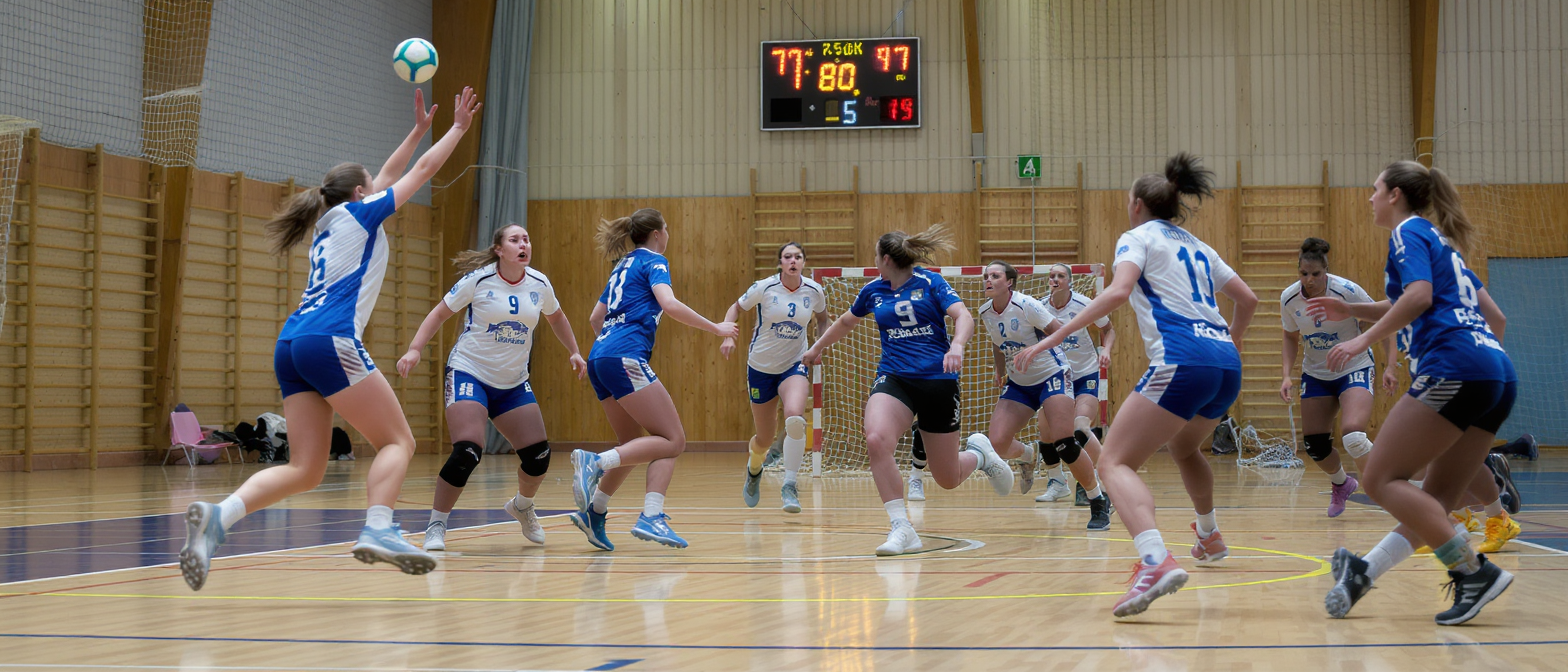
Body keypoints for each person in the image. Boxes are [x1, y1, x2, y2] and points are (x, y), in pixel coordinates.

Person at [179, 88, 483, 590]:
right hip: (330, 339)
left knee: (306, 468)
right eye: (371, 186)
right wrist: (456, 130)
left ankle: (218, 518)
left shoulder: (333, 221)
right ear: (362, 196)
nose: (380, 186)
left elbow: (387, 176)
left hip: (292, 344)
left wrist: (414, 132)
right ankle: (380, 528)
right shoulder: (362, 217)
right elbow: (420, 173)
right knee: (398, 440)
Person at [1015, 153, 1257, 617]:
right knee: (1186, 449)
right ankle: (1208, 535)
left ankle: (1153, 560)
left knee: (1115, 464)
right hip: (1225, 363)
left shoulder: (1137, 237)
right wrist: (1233, 340)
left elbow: (1119, 291)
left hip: (1182, 359)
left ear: (1139, 204)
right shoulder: (1200, 245)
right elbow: (1247, 298)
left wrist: (1058, 336)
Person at [1319, 160, 1518, 626]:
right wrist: (1352, 309)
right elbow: (1496, 318)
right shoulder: (1444, 243)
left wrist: (1361, 339)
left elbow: (1420, 296)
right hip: (1497, 372)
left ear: (1394, 195)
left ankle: (1473, 571)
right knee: (1434, 501)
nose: (1369, 198)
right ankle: (1365, 572)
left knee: (1379, 479)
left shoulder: (1408, 231)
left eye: (1374, 189)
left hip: (1455, 367)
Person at [803, 223, 1011, 556]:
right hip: (895, 378)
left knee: (948, 477)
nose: (874, 261)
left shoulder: (931, 282)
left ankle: (980, 455)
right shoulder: (874, 290)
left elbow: (964, 316)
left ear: (886, 258)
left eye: (875, 256)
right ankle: (902, 527)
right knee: (876, 439)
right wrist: (816, 349)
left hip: (937, 382)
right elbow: (845, 321)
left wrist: (956, 346)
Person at [395, 224, 586, 551]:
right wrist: (415, 348)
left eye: (526, 238)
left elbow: (557, 318)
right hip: (470, 371)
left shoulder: (539, 284)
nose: (523, 243)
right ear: (500, 249)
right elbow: (439, 313)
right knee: (467, 449)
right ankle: (437, 524)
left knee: (538, 457)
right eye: (515, 240)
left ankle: (522, 506)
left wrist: (574, 351)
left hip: (512, 382)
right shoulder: (479, 281)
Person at [568, 208, 738, 550]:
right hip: (624, 355)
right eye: (668, 229)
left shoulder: (622, 265)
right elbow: (669, 304)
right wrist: (716, 328)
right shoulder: (654, 261)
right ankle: (637, 502)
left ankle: (594, 511)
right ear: (659, 233)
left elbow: (594, 317)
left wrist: (613, 345)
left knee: (632, 442)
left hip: (600, 356)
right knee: (672, 440)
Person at [977, 261, 1111, 530]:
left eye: (995, 275)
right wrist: (999, 370)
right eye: (986, 276)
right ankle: (1029, 454)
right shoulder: (985, 312)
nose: (988, 280)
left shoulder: (1027, 305)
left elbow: (1060, 333)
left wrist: (1034, 350)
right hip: (1020, 381)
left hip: (1052, 375)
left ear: (1009, 282)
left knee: (1065, 442)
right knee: (998, 443)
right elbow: (996, 343)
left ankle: (1098, 500)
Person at [1278, 237, 1393, 517]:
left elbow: (1383, 321)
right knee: (1315, 446)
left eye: (1316, 274)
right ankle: (1342, 484)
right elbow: (1290, 337)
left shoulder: (1347, 291)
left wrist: (1391, 365)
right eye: (1304, 274)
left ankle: (1390, 488)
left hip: (1354, 368)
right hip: (1316, 374)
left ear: (1326, 271)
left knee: (1353, 435)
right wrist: (1285, 376)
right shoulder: (1289, 299)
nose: (1309, 280)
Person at [720, 242, 829, 513]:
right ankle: (754, 468)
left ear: (804, 262)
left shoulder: (814, 291)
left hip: (794, 364)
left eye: (798, 257)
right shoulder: (764, 288)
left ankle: (789, 486)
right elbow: (735, 308)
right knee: (764, 439)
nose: (793, 261)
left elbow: (824, 320)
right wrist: (727, 337)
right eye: (787, 257)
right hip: (761, 367)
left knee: (795, 418)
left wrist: (819, 347)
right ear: (780, 263)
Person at [1039, 263, 1118, 504]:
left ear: (1069, 281)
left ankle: (1107, 474)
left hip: (1085, 373)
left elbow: (1109, 329)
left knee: (1080, 426)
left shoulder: (1084, 304)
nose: (1055, 279)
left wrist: (1106, 349)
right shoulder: (1039, 308)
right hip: (1057, 376)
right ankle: (1057, 482)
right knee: (1046, 432)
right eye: (1052, 276)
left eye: (1060, 276)